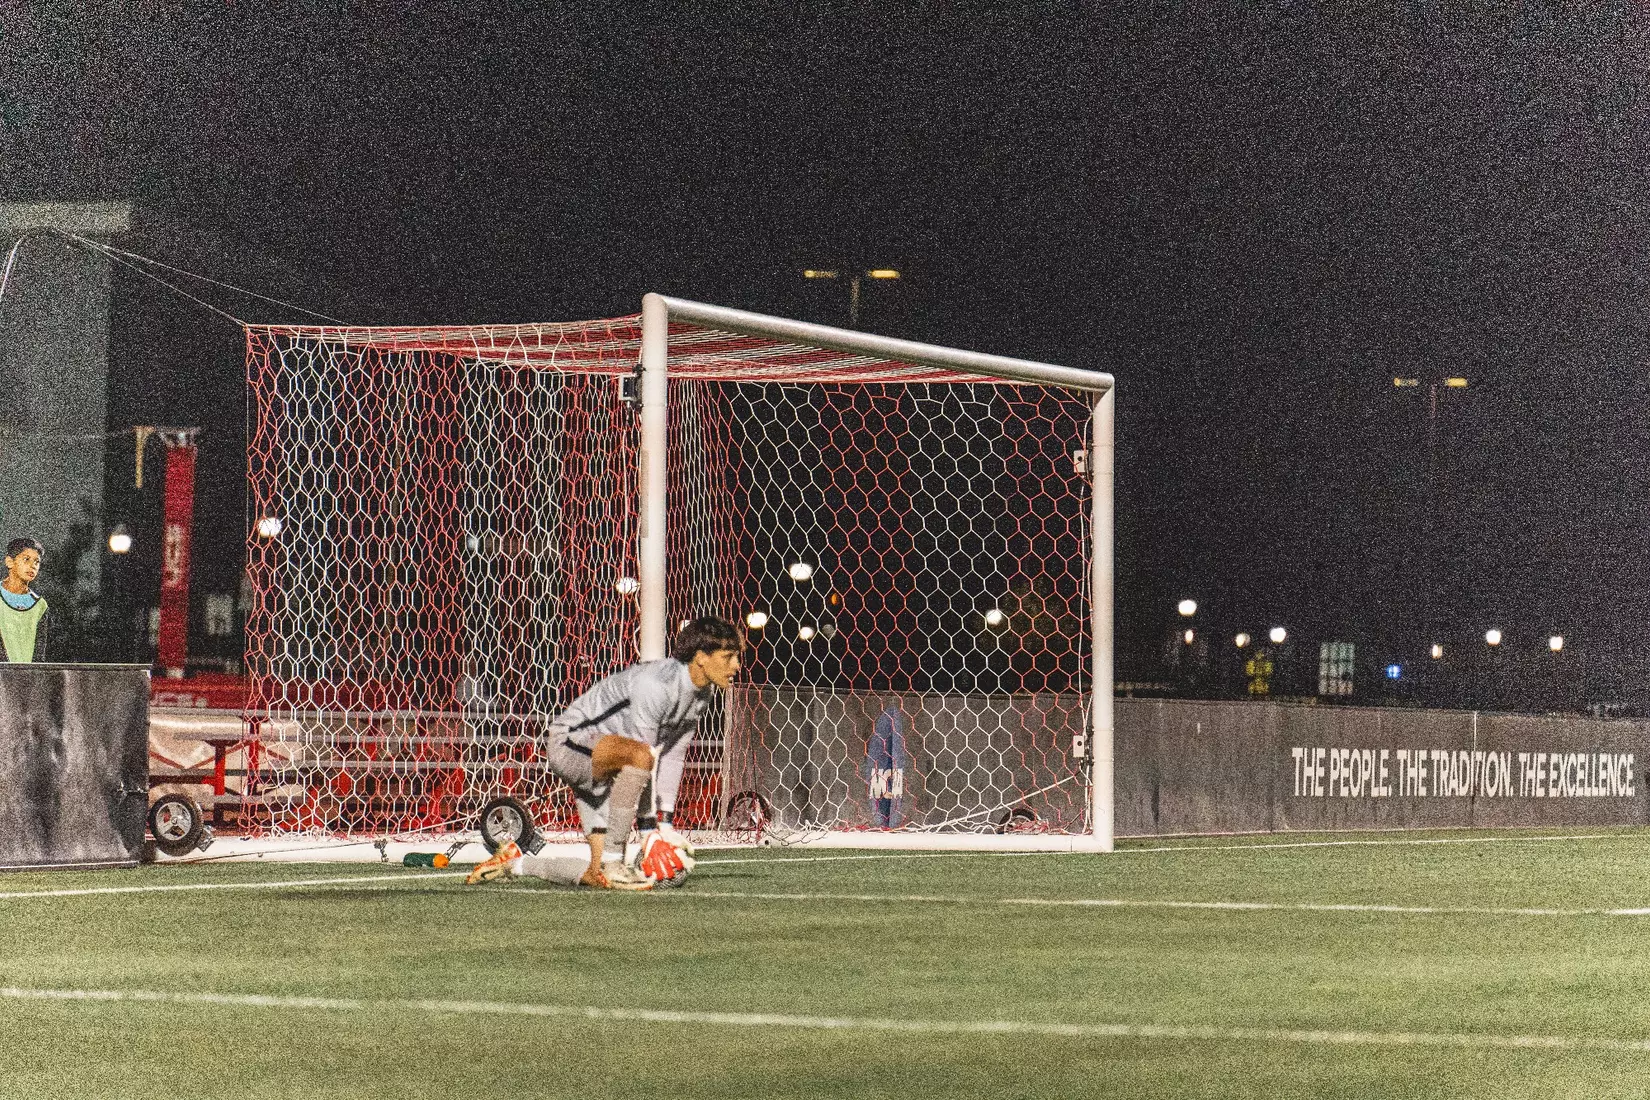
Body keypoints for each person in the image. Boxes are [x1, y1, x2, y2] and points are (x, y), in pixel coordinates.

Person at [466, 616, 743, 891]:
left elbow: (672, 755)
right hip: (570, 742)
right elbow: (643, 756)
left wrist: (667, 826)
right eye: (728, 656)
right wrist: (649, 833)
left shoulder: (701, 694)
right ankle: (614, 862)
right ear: (701, 657)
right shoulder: (657, 685)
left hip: (608, 758)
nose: (736, 666)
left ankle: (514, 863)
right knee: (641, 756)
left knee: (598, 877)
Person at [1, 537, 48, 662]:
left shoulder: (40, 605)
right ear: (10, 562)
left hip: (26, 677)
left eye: (37, 562)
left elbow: (39, 654)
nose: (33, 566)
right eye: (26, 559)